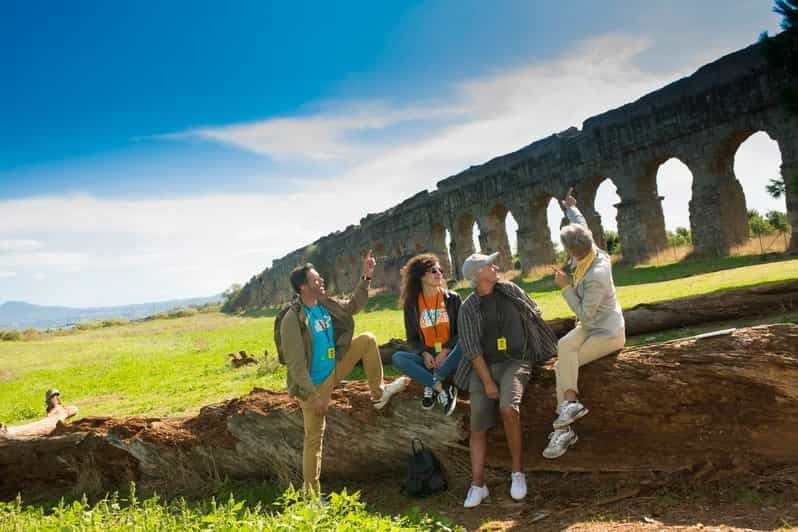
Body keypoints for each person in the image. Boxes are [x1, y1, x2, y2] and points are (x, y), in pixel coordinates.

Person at [279, 250, 410, 494]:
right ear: (303, 287)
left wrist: (366, 276)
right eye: (316, 280)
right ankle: (312, 495)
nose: (321, 282)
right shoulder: (293, 318)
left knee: (367, 340)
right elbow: (296, 365)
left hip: (335, 369)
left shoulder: (323, 305)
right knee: (313, 439)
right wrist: (314, 396)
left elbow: (352, 306)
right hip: (314, 385)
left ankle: (378, 393)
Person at [453, 252, 558, 508]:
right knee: (478, 424)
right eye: (490, 264)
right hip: (484, 367)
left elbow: (534, 313)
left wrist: (544, 348)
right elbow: (471, 348)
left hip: (517, 361)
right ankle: (478, 485)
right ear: (478, 275)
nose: (496, 266)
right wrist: (488, 382)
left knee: (508, 408)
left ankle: (518, 473)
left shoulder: (510, 289)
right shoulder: (468, 308)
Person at [543, 188, 626, 459]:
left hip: (608, 332)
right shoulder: (591, 250)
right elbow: (582, 226)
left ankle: (564, 426)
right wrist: (570, 208)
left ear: (572, 251)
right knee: (563, 345)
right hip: (590, 327)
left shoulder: (597, 273)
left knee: (565, 363)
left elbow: (585, 314)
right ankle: (570, 405)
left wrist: (565, 287)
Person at [391, 254, 462, 415]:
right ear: (421, 275)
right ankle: (441, 387)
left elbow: (463, 332)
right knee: (398, 358)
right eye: (433, 270)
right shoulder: (412, 305)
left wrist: (445, 352)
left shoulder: (453, 299)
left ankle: (431, 380)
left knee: (466, 343)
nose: (439, 274)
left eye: (440, 270)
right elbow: (413, 339)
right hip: (429, 358)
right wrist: (424, 353)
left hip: (451, 355)